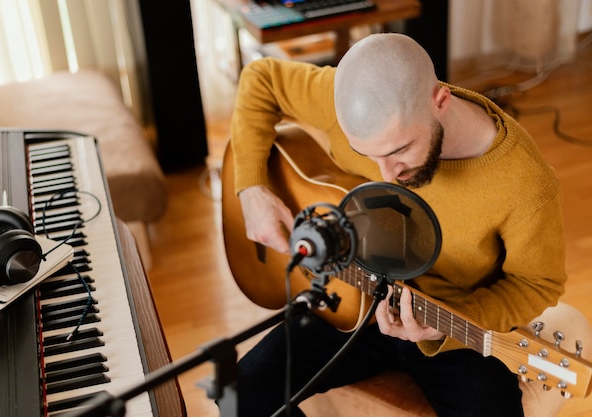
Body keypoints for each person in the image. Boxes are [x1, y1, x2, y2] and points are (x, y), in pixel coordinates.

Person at [229, 33, 567, 416]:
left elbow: (539, 284)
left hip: (447, 326)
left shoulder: (525, 184)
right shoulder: (356, 100)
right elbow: (261, 78)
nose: (387, 173)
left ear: (440, 102)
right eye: (366, 155)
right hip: (351, 295)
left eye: (399, 150)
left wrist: (452, 323)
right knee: (240, 395)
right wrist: (252, 186)